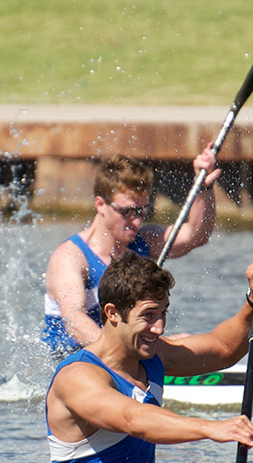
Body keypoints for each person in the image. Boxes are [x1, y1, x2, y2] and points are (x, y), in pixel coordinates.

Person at [44, 249, 253, 463]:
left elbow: (223, 348)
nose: (160, 327)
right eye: (148, 315)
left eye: (163, 313)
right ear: (112, 313)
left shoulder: (154, 355)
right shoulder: (77, 376)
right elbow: (133, 419)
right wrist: (210, 428)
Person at [41, 149, 221, 357]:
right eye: (127, 212)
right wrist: (130, 351)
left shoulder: (143, 241)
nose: (136, 221)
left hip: (121, 354)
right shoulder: (70, 257)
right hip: (70, 359)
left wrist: (204, 187)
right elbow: (74, 319)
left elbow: (194, 236)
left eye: (142, 211)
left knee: (185, 340)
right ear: (100, 204)